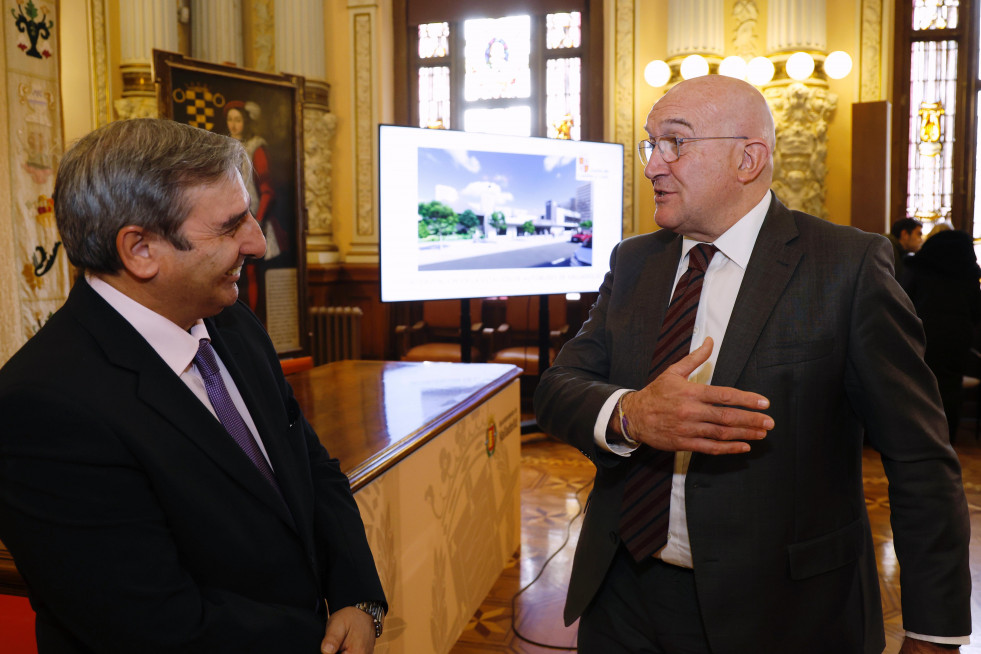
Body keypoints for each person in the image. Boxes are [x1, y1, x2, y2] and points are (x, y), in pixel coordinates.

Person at [534, 75, 970, 654]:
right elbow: (558, 389)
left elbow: (919, 460)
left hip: (787, 615)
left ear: (748, 158)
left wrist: (933, 633)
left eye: (675, 143)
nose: (652, 166)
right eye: (650, 143)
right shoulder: (634, 261)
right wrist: (632, 414)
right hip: (621, 600)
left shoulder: (848, 268)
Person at [0, 118, 386, 653]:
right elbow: (154, 626)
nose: (257, 241)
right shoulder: (43, 406)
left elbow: (311, 468)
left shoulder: (231, 321)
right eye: (230, 226)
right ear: (140, 250)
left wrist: (357, 596)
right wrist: (321, 641)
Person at [903, 228, 981, 442]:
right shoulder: (969, 273)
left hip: (921, 335)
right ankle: (946, 440)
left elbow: (903, 302)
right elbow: (976, 310)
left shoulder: (918, 267)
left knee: (918, 386)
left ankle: (917, 438)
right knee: (950, 389)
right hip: (956, 339)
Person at [223, 100, 289, 319]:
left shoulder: (255, 147)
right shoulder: (223, 147)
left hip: (255, 216)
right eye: (230, 120)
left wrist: (257, 219)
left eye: (238, 120)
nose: (233, 125)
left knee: (251, 271)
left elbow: (267, 189)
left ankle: (253, 319)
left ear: (245, 122)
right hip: (228, 217)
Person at [887, 217, 924, 283]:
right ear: (905, 234)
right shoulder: (888, 249)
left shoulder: (899, 251)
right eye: (919, 234)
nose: (921, 240)